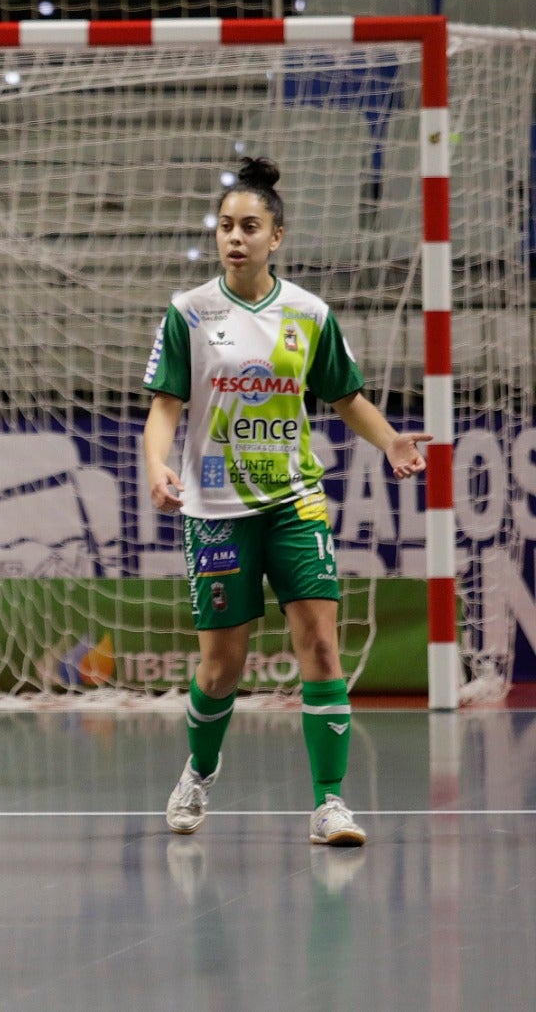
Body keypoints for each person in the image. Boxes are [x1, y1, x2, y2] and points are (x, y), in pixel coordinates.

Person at [142, 156, 430, 847]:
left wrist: (389, 441)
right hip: (214, 508)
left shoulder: (309, 313)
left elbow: (346, 397)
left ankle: (330, 804)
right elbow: (164, 407)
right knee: (223, 666)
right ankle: (199, 773)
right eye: (225, 227)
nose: (234, 238)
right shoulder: (189, 311)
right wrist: (157, 465)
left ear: (277, 236)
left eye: (249, 227)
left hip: (295, 498)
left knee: (322, 648)